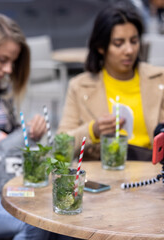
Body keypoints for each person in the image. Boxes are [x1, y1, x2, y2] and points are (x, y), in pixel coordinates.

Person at [0, 13, 74, 240]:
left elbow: (8, 140)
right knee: (37, 221)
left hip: (6, 180)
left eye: (13, 62)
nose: (10, 69)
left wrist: (29, 132)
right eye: (2, 59)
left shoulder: (2, 90)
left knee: (60, 213)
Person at [57, 4, 164, 161]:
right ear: (101, 47)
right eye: (118, 43)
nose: (129, 50)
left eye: (134, 41)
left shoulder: (159, 79)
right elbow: (61, 146)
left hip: (152, 175)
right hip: (103, 179)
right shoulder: (80, 86)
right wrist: (93, 131)